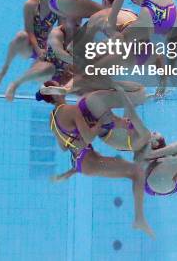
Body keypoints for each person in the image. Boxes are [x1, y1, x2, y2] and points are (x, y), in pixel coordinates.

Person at [37, 81, 154, 238]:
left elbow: (64, 147)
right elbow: (89, 137)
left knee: (135, 171)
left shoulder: (52, 120)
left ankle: (139, 219)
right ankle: (139, 219)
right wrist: (99, 124)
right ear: (55, 93)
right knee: (136, 172)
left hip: (80, 161)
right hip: (87, 161)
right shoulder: (71, 110)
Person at [0, 0, 60, 99]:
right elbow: (29, 30)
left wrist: (51, 51)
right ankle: (4, 70)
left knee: (49, 69)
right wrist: (38, 49)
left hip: (45, 46)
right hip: (30, 44)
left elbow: (60, 32)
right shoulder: (31, 5)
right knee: (20, 36)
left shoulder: (58, 8)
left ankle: (15, 84)